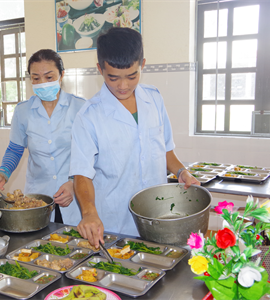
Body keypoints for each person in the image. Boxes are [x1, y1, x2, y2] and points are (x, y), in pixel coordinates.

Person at [70, 27, 200, 248]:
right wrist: (89, 212)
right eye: (113, 78)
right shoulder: (89, 116)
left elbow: (165, 149)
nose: (123, 86)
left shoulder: (154, 99)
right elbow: (82, 174)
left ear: (143, 64)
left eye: (132, 76)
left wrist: (182, 171)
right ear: (100, 69)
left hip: (158, 216)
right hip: (115, 223)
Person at [0, 49, 86, 225]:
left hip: (73, 194)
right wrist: (3, 173)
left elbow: (88, 154)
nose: (42, 83)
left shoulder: (79, 108)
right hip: (38, 195)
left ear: (61, 75)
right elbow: (15, 148)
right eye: (36, 78)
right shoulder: (23, 111)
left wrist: (74, 182)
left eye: (49, 77)